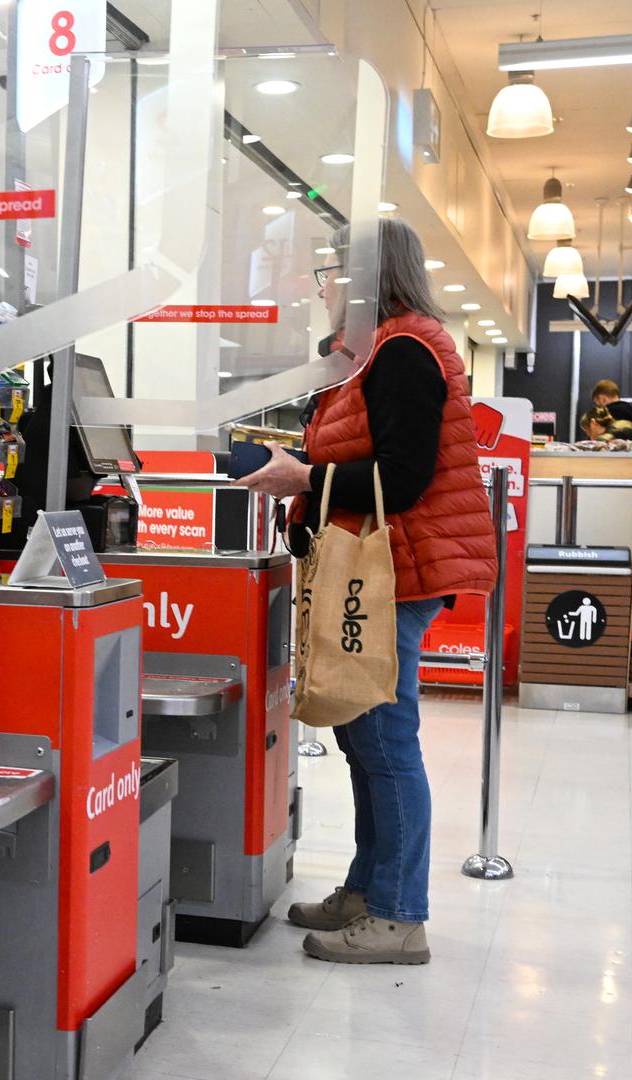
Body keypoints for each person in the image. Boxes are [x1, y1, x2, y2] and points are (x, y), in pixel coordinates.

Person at [236, 218, 497, 965]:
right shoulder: (372, 352)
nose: (322, 287)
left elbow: (405, 478)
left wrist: (305, 478)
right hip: (379, 568)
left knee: (383, 739)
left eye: (330, 271)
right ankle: (367, 885)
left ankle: (400, 914)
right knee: (361, 734)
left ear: (364, 277)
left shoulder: (406, 351)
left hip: (396, 572)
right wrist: (305, 477)